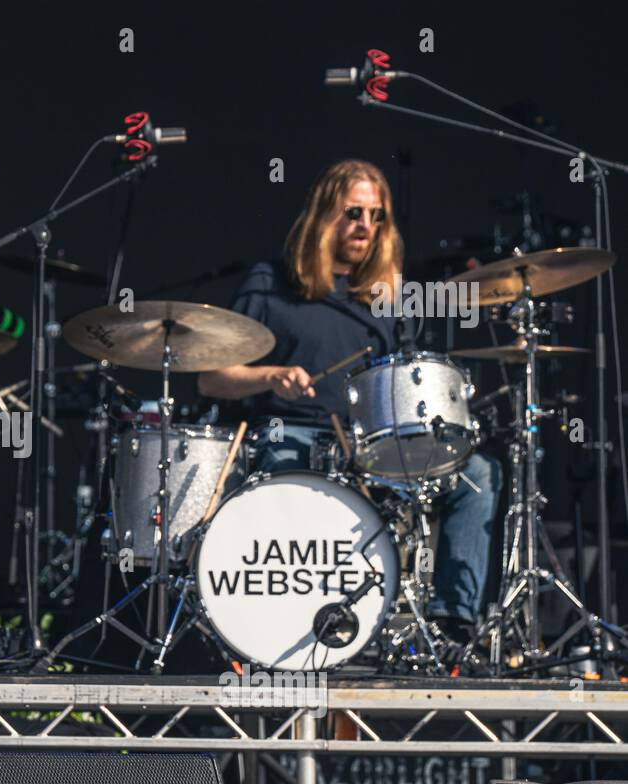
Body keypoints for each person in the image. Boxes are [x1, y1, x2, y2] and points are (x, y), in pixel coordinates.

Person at [199, 159, 501, 644]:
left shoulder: (384, 299)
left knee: (477, 474)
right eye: (353, 213)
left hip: (368, 445)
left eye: (377, 216)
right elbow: (212, 379)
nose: (365, 226)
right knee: (284, 472)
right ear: (324, 214)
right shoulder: (271, 282)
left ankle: (451, 622)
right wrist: (271, 375)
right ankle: (281, 626)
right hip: (290, 432)